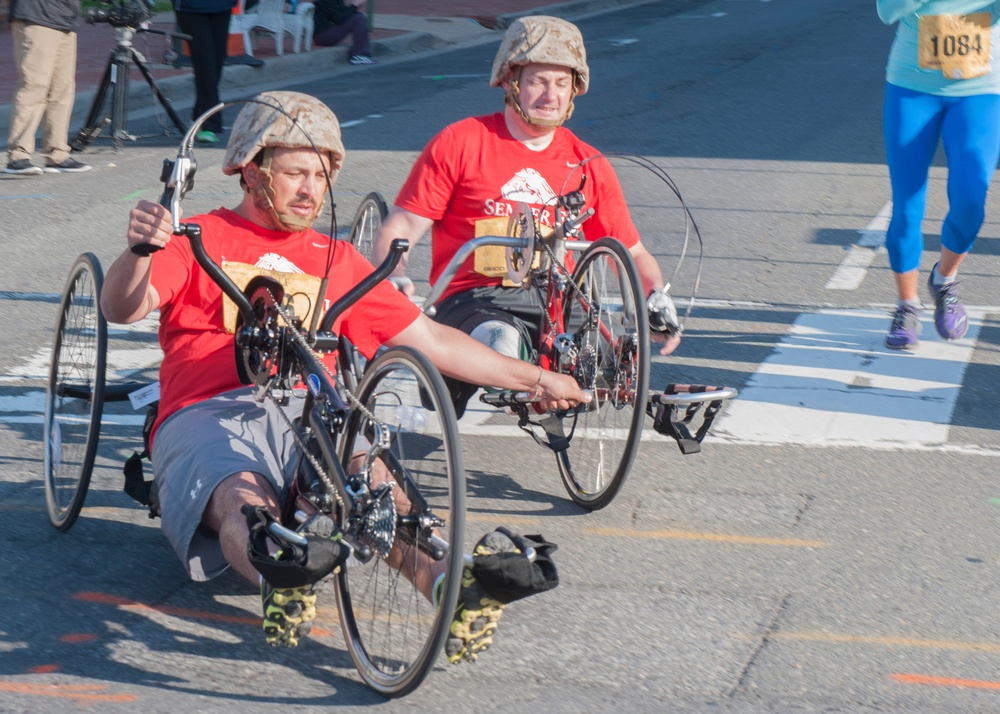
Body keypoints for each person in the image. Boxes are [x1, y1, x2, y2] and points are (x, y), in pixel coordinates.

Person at [100, 91, 585, 658]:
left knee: (378, 485)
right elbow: (122, 307)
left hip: (313, 413)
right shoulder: (197, 238)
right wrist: (138, 252)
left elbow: (430, 341)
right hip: (210, 411)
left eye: (321, 176)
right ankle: (282, 575)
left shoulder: (337, 259)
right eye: (294, 173)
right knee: (241, 493)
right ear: (252, 172)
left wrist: (534, 378)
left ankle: (456, 590)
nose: (311, 190)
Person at [371, 15, 682, 418]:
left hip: (558, 301)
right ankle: (473, 371)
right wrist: (392, 276)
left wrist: (656, 296)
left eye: (561, 82)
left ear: (575, 89)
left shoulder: (588, 164)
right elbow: (402, 226)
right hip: (474, 297)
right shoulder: (462, 142)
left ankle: (546, 382)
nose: (550, 95)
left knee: (614, 374)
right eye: (537, 80)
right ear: (510, 81)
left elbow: (633, 253)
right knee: (498, 341)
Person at [877, 1, 998, 349]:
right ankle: (906, 306)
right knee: (907, 204)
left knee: (971, 200)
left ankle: (944, 279)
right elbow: (887, 11)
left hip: (981, 90)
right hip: (911, 89)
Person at [4, 0, 90, 175]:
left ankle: (57, 154)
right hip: (36, 15)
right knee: (34, 85)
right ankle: (18, 155)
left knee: (62, 90)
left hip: (65, 19)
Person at [174, 0, 237, 144]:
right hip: (191, 9)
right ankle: (209, 125)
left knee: (216, 63)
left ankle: (198, 118)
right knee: (205, 64)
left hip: (222, 6)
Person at [313, 0, 375, 65]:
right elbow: (338, 18)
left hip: (328, 31)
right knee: (358, 18)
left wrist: (356, 5)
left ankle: (360, 53)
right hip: (323, 35)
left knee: (358, 16)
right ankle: (359, 55)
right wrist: (354, 5)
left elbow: (342, 13)